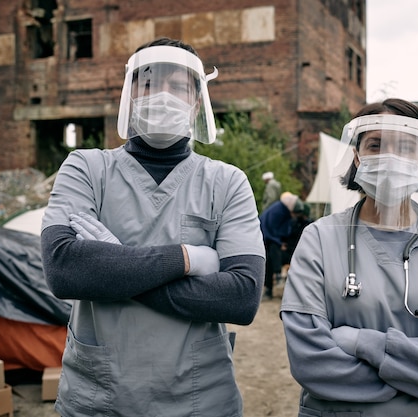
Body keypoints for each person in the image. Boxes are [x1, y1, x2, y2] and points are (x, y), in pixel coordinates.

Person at [41, 37, 265, 416]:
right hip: (98, 398)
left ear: (196, 101)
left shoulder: (227, 181)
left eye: (177, 86)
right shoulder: (85, 168)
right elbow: (64, 270)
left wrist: (114, 268)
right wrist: (188, 258)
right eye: (148, 82)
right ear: (129, 93)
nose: (163, 95)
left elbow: (241, 297)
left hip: (200, 398)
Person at [280, 98, 418, 416]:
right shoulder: (320, 238)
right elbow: (312, 363)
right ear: (357, 155)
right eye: (376, 145)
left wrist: (362, 343)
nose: (390, 157)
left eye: (406, 147)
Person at [259, 192, 305, 300]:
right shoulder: (277, 211)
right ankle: (276, 277)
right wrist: (280, 243)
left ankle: (270, 287)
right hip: (267, 240)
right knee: (270, 257)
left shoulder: (285, 212)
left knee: (272, 255)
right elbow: (269, 231)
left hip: (276, 243)